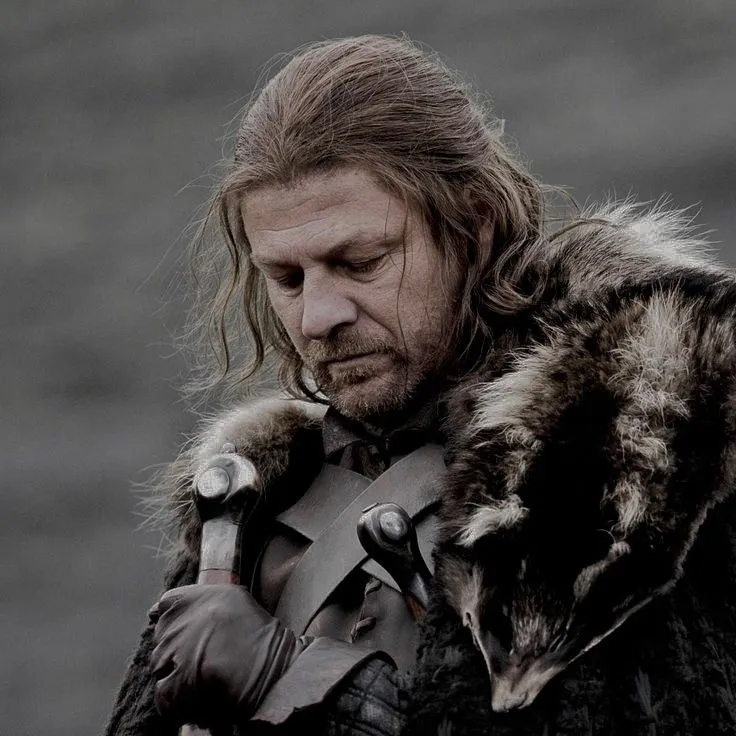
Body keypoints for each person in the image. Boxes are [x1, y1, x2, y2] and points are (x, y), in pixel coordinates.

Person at [105, 34, 736, 736]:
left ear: (474, 225)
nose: (317, 318)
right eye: (287, 278)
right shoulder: (254, 506)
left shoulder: (637, 477)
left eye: (360, 262)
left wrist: (287, 677)